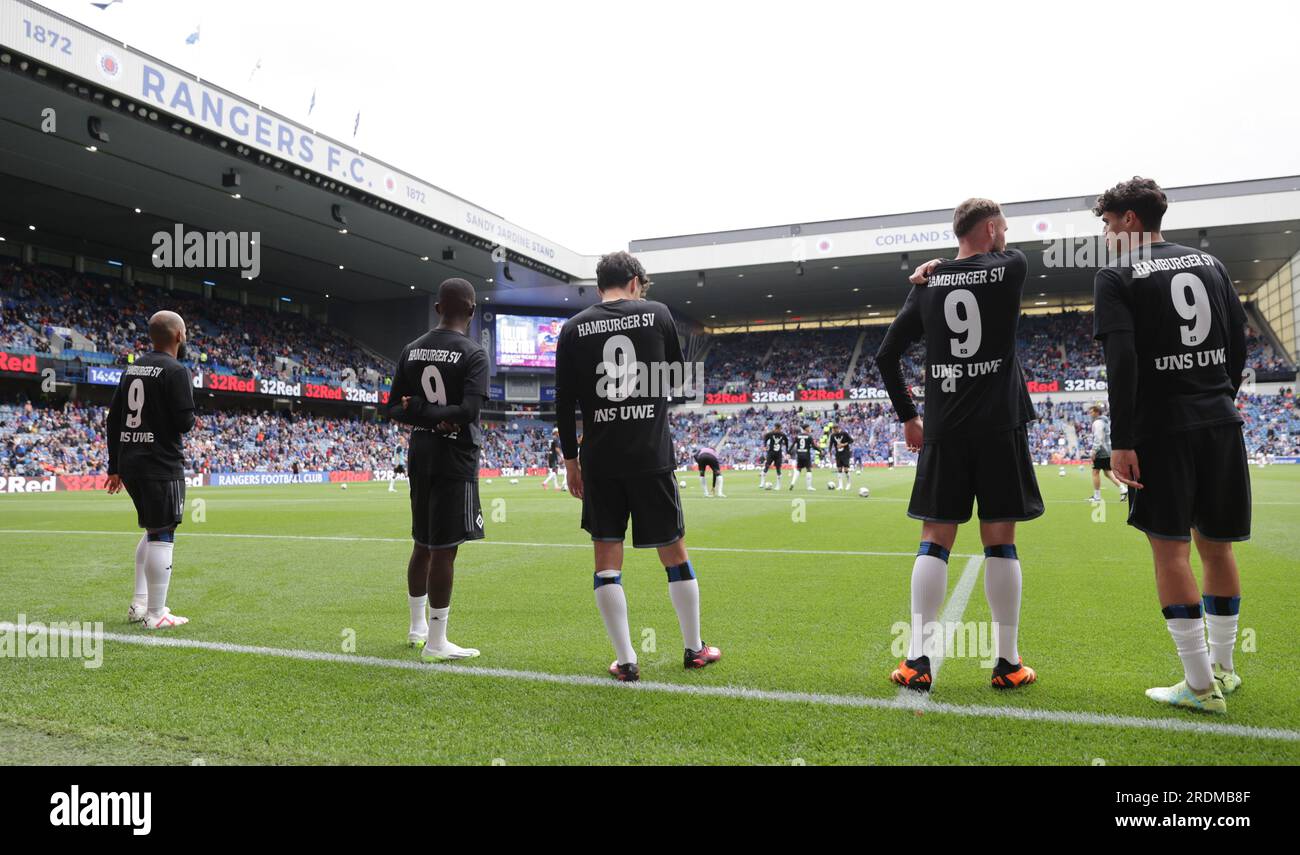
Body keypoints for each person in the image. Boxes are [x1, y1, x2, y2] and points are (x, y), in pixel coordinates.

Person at [1092, 177, 1249, 714]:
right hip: (1219, 419)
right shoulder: (1210, 264)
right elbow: (1238, 340)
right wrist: (1220, 393)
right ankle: (1224, 670)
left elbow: (1122, 362)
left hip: (1163, 429)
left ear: (1131, 220)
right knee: (1216, 544)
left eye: (1110, 223)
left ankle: (1200, 687)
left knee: (1170, 548)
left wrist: (1121, 440)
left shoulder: (1115, 274)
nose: (1107, 233)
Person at [876, 198, 1042, 692]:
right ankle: (1007, 664)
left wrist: (909, 416)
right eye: (1004, 229)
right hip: (1000, 426)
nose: (1007, 237)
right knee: (1001, 542)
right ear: (991, 229)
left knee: (934, 539)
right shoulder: (1013, 266)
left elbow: (886, 356)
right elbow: (992, 261)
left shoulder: (927, 285)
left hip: (944, 428)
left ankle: (915, 661)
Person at [554, 251, 721, 682]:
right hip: (650, 456)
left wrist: (571, 462)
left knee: (607, 560)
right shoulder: (658, 313)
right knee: (674, 554)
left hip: (600, 462)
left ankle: (627, 661)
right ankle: (693, 649)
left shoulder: (573, 329)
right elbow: (678, 378)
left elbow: (563, 403)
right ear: (633, 282)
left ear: (598, 286)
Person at [385, 278, 488, 662]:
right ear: (472, 311)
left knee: (423, 544)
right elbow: (469, 412)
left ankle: (416, 629)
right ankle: (436, 641)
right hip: (455, 457)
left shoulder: (411, 350)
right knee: (445, 549)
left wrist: (422, 415)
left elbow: (394, 408)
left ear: (438, 308)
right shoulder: (474, 354)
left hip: (421, 454)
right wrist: (445, 418)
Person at [105, 310, 196, 630]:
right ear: (179, 336)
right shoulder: (176, 370)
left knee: (152, 529)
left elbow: (112, 418)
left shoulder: (132, 369)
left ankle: (140, 604)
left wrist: (113, 466)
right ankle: (156, 614)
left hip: (130, 462)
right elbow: (185, 422)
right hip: (160, 463)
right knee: (163, 532)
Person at [1087, 404, 1127, 504]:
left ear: (1096, 412)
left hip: (1101, 451)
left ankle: (1097, 496)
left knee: (1095, 472)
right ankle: (1123, 489)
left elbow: (1099, 437)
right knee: (1107, 472)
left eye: (1091, 411)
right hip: (1108, 449)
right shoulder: (1105, 421)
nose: (1090, 413)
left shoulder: (1098, 422)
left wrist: (1094, 451)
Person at [789, 424, 818, 491]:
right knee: (808, 469)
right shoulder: (809, 436)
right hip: (806, 455)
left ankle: (792, 483)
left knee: (798, 469)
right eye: (809, 427)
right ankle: (809, 487)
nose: (810, 428)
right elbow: (813, 446)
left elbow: (792, 445)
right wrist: (820, 450)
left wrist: (788, 452)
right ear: (806, 428)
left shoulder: (798, 436)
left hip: (799, 455)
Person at [759, 422, 787, 489]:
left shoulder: (782, 435)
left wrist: (787, 450)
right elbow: (765, 438)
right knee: (766, 467)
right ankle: (762, 483)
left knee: (778, 469)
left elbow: (786, 441)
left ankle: (778, 485)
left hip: (778, 454)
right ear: (778, 428)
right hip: (771, 453)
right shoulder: (771, 434)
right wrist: (765, 446)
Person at [828, 421, 854, 491]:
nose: (833, 430)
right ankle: (840, 485)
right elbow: (831, 444)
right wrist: (829, 452)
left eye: (834, 429)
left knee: (845, 469)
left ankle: (848, 483)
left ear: (837, 428)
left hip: (845, 453)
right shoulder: (832, 435)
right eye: (832, 429)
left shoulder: (844, 433)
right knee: (839, 469)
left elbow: (851, 440)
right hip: (838, 454)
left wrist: (843, 444)